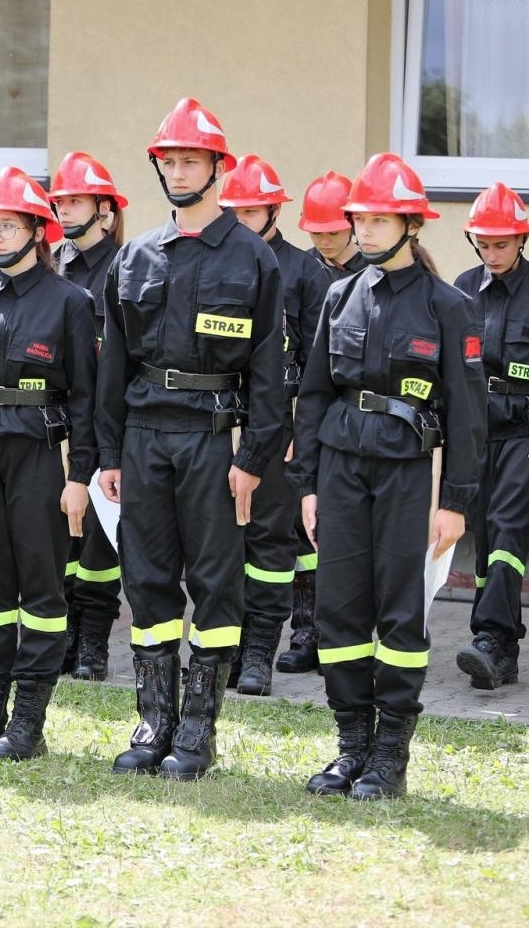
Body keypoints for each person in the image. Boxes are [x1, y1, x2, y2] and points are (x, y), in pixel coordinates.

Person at [96, 97, 285, 780]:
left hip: (213, 437)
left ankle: (198, 729)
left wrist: (253, 457)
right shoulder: (136, 256)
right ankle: (154, 721)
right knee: (146, 579)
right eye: (169, 160)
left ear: (217, 168)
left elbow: (269, 371)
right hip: (145, 434)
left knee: (213, 582)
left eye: (191, 159)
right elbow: (112, 364)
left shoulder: (254, 260)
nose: (178, 170)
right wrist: (108, 453)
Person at [290, 152, 486, 800]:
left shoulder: (448, 306)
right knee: (337, 605)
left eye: (377, 219)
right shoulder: (339, 297)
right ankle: (351, 748)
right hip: (341, 469)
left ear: (410, 224)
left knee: (400, 611)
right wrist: (311, 486)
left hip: (407, 474)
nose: (364, 231)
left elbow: (468, 413)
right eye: (360, 219)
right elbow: (314, 395)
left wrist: (455, 501)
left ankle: (389, 756)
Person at [0, 168, 96, 759]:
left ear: (38, 231)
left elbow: (85, 397)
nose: (0, 235)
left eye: (12, 225)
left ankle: (27, 722)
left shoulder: (70, 303)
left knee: (40, 585)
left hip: (39, 454)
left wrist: (79, 476)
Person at [220, 155, 330, 697]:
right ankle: (229, 646)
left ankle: (260, 650)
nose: (241, 219)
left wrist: (298, 437)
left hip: (277, 427)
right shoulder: (213, 259)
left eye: (250, 209)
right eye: (233, 210)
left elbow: (316, 369)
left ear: (272, 209)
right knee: (224, 541)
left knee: (268, 541)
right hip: (217, 423)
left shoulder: (305, 271)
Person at [451, 182, 529, 690]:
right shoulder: (462, 288)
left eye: (502, 244)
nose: (492, 254)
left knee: (508, 529)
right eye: (484, 244)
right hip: (475, 431)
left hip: (525, 430)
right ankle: (503, 651)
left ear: (521, 240)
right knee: (488, 538)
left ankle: (489, 636)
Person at [48, 150, 128, 681]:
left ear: (104, 209)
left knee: (101, 534)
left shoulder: (126, 265)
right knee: (62, 533)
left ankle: (93, 641)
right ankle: (65, 633)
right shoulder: (49, 262)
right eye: (60, 203)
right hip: (57, 414)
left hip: (108, 415)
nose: (66, 211)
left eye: (76, 201)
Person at [277, 170, 358, 674]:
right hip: (308, 415)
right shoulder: (304, 272)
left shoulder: (376, 270)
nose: (325, 241)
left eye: (333, 231)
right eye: (317, 232)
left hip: (353, 421)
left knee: (345, 531)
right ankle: (307, 629)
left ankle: (344, 632)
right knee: (301, 529)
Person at [298, 171, 366, 278]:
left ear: (352, 225)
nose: (324, 242)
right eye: (316, 233)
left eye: (334, 233)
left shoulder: (373, 269)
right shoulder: (303, 266)